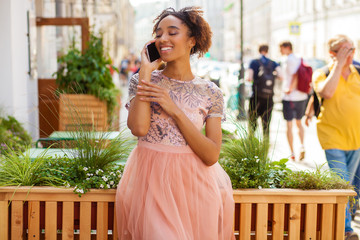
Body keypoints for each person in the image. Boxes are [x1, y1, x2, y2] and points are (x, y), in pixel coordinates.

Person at [115, 7, 235, 240]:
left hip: (195, 188)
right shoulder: (143, 81)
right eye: (158, 34)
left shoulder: (211, 92)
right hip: (151, 186)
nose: (163, 39)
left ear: (192, 40)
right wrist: (147, 72)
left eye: (172, 32)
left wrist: (174, 110)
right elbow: (138, 129)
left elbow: (211, 155)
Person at [311, 34, 360, 240]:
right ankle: (346, 229)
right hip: (332, 136)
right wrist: (338, 65)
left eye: (352, 49)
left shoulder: (358, 72)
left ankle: (344, 217)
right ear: (333, 54)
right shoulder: (322, 73)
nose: (351, 54)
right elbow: (327, 93)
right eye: (345, 50)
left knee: (351, 184)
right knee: (342, 182)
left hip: (356, 137)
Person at [279, 41, 308, 161]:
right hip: (302, 96)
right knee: (299, 122)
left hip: (290, 97)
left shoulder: (289, 60)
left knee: (289, 125)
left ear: (287, 48)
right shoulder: (300, 58)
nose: (280, 51)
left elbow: (295, 75)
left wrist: (289, 89)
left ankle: (292, 152)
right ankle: (302, 146)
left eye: (281, 49)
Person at [246, 44, 282, 137]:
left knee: (252, 122)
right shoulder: (273, 63)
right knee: (266, 124)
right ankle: (265, 145)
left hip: (256, 97)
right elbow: (281, 76)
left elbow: (249, 77)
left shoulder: (254, 62)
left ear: (259, 50)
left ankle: (251, 142)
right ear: (267, 51)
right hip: (269, 98)